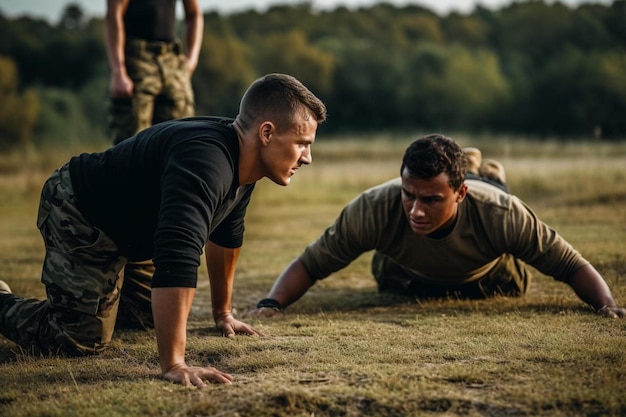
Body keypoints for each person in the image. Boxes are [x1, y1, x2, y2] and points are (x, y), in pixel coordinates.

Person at [0, 73, 327, 387]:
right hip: (82, 210)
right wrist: (174, 363)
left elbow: (225, 237)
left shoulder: (244, 164)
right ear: (267, 133)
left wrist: (223, 313)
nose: (308, 157)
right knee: (77, 339)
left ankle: (106, 290)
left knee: (149, 319)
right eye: (302, 143)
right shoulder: (207, 162)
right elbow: (178, 253)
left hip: (134, 230)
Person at [247, 134, 625, 319]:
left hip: (487, 278)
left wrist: (606, 306)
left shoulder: (501, 213)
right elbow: (312, 263)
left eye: (431, 200)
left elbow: (571, 265)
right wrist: (270, 303)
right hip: (407, 278)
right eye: (410, 194)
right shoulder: (375, 207)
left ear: (458, 195)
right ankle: (475, 167)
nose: (416, 210)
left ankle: (483, 173)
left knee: (492, 188)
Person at [105, 0, 204, 145]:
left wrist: (191, 60)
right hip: (137, 61)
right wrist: (118, 71)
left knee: (182, 138)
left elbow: (194, 14)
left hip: (172, 59)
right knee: (132, 143)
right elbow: (114, 16)